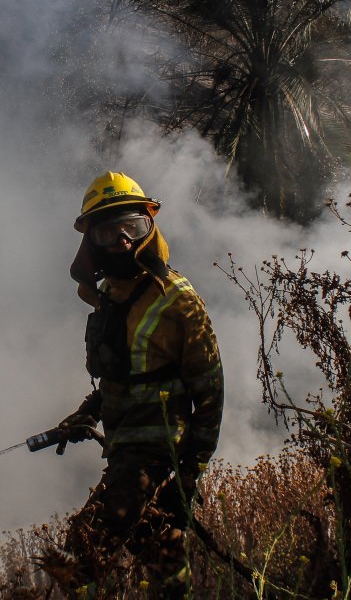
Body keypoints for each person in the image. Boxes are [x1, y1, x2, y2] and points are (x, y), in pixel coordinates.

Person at [55, 171, 224, 599]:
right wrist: (86, 413)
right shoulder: (112, 293)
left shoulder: (177, 299)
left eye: (132, 227)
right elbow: (127, 375)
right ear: (91, 242)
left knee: (87, 546)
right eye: (109, 232)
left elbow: (210, 392)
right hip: (125, 445)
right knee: (159, 548)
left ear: (150, 226)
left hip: (157, 452)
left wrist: (188, 476)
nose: (123, 241)